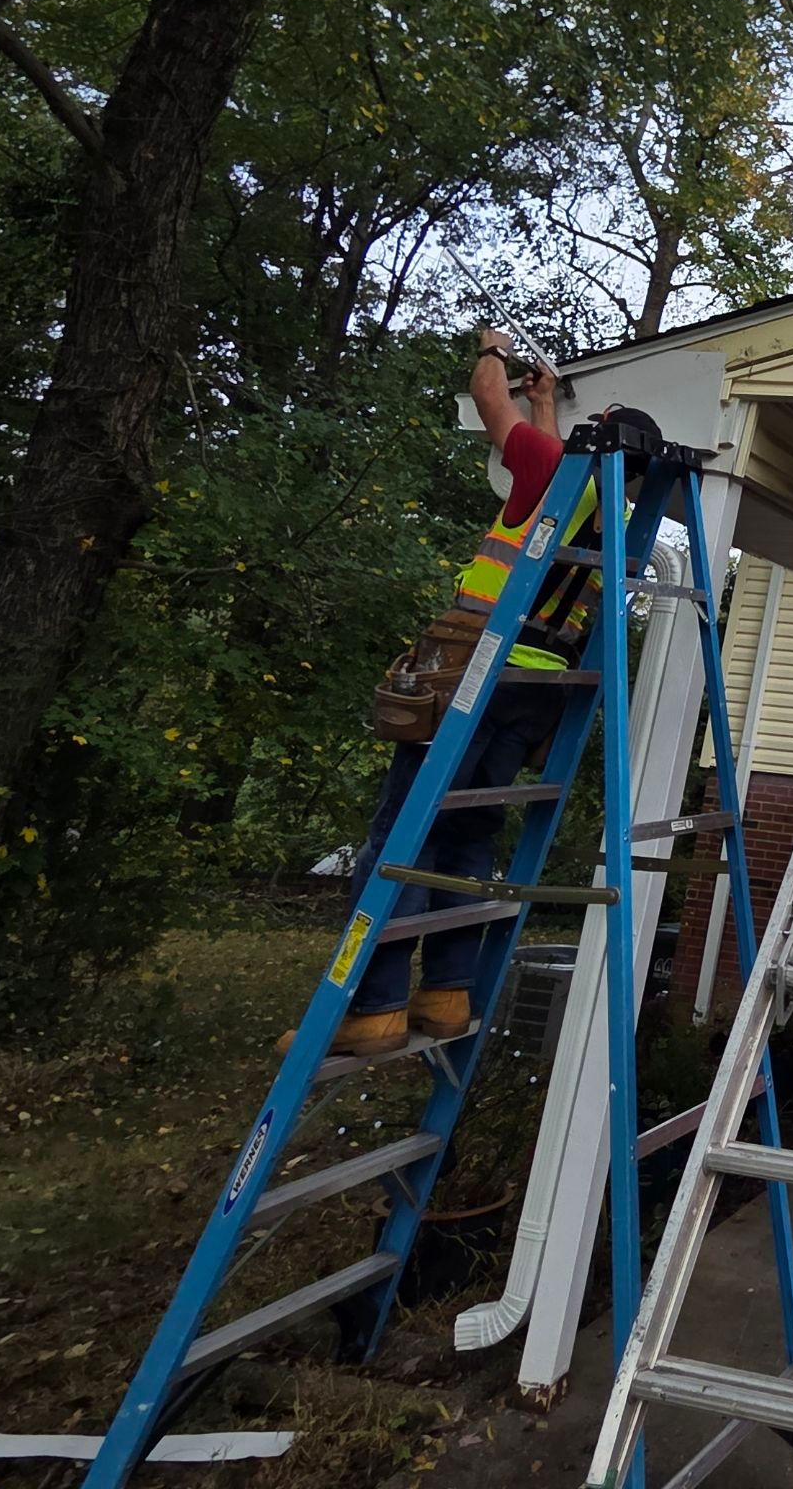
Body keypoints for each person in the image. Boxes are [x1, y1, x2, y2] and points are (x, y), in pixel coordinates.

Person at [290, 327, 599, 1058]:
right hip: (537, 693)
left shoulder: (542, 468)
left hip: (475, 676)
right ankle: (446, 993)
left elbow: (491, 404)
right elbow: (548, 453)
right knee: (469, 837)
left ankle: (375, 1008)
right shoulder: (605, 508)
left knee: (400, 837)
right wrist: (547, 400)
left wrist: (492, 352)